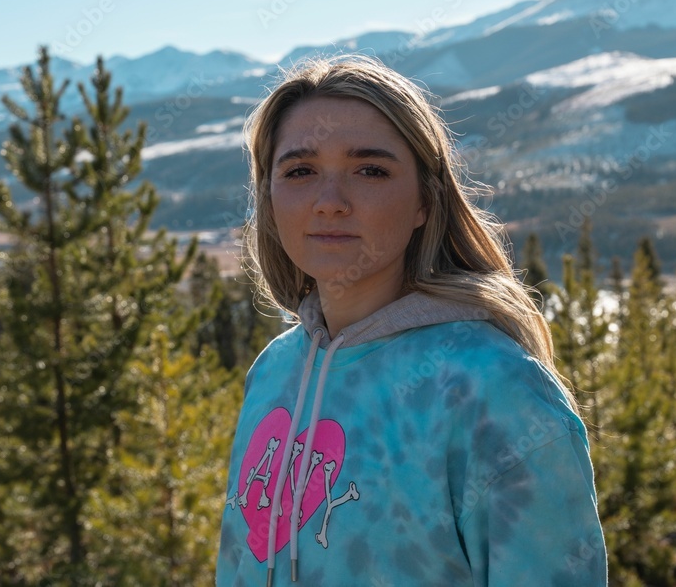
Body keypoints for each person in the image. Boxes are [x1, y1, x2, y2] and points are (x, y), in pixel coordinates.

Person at [217, 55, 607, 586]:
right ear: (268, 195)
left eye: (370, 170)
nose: (329, 202)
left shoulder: (492, 386)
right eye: (300, 171)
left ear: (426, 198)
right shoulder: (274, 372)